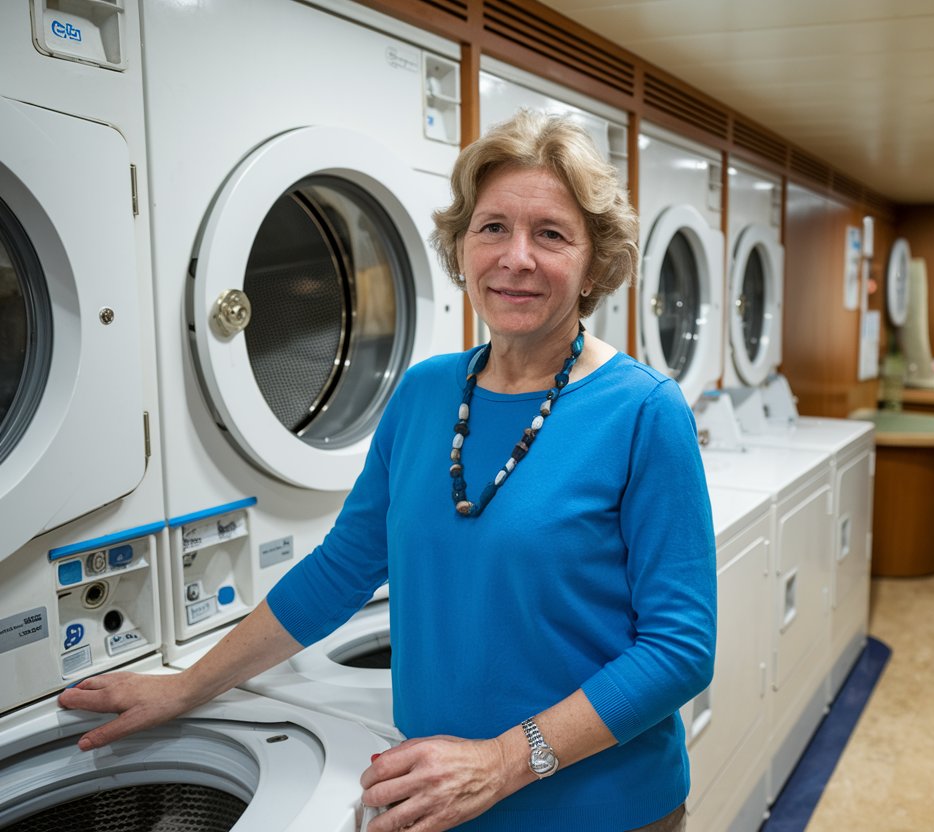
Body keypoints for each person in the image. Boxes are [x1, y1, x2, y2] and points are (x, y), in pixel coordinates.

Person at [59, 111, 717, 832]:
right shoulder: (426, 393)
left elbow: (678, 649)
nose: (516, 258)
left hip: (599, 808)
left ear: (595, 263)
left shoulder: (643, 411)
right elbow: (342, 569)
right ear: (461, 246)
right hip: (434, 791)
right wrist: (185, 688)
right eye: (492, 227)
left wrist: (500, 763)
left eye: (551, 234)